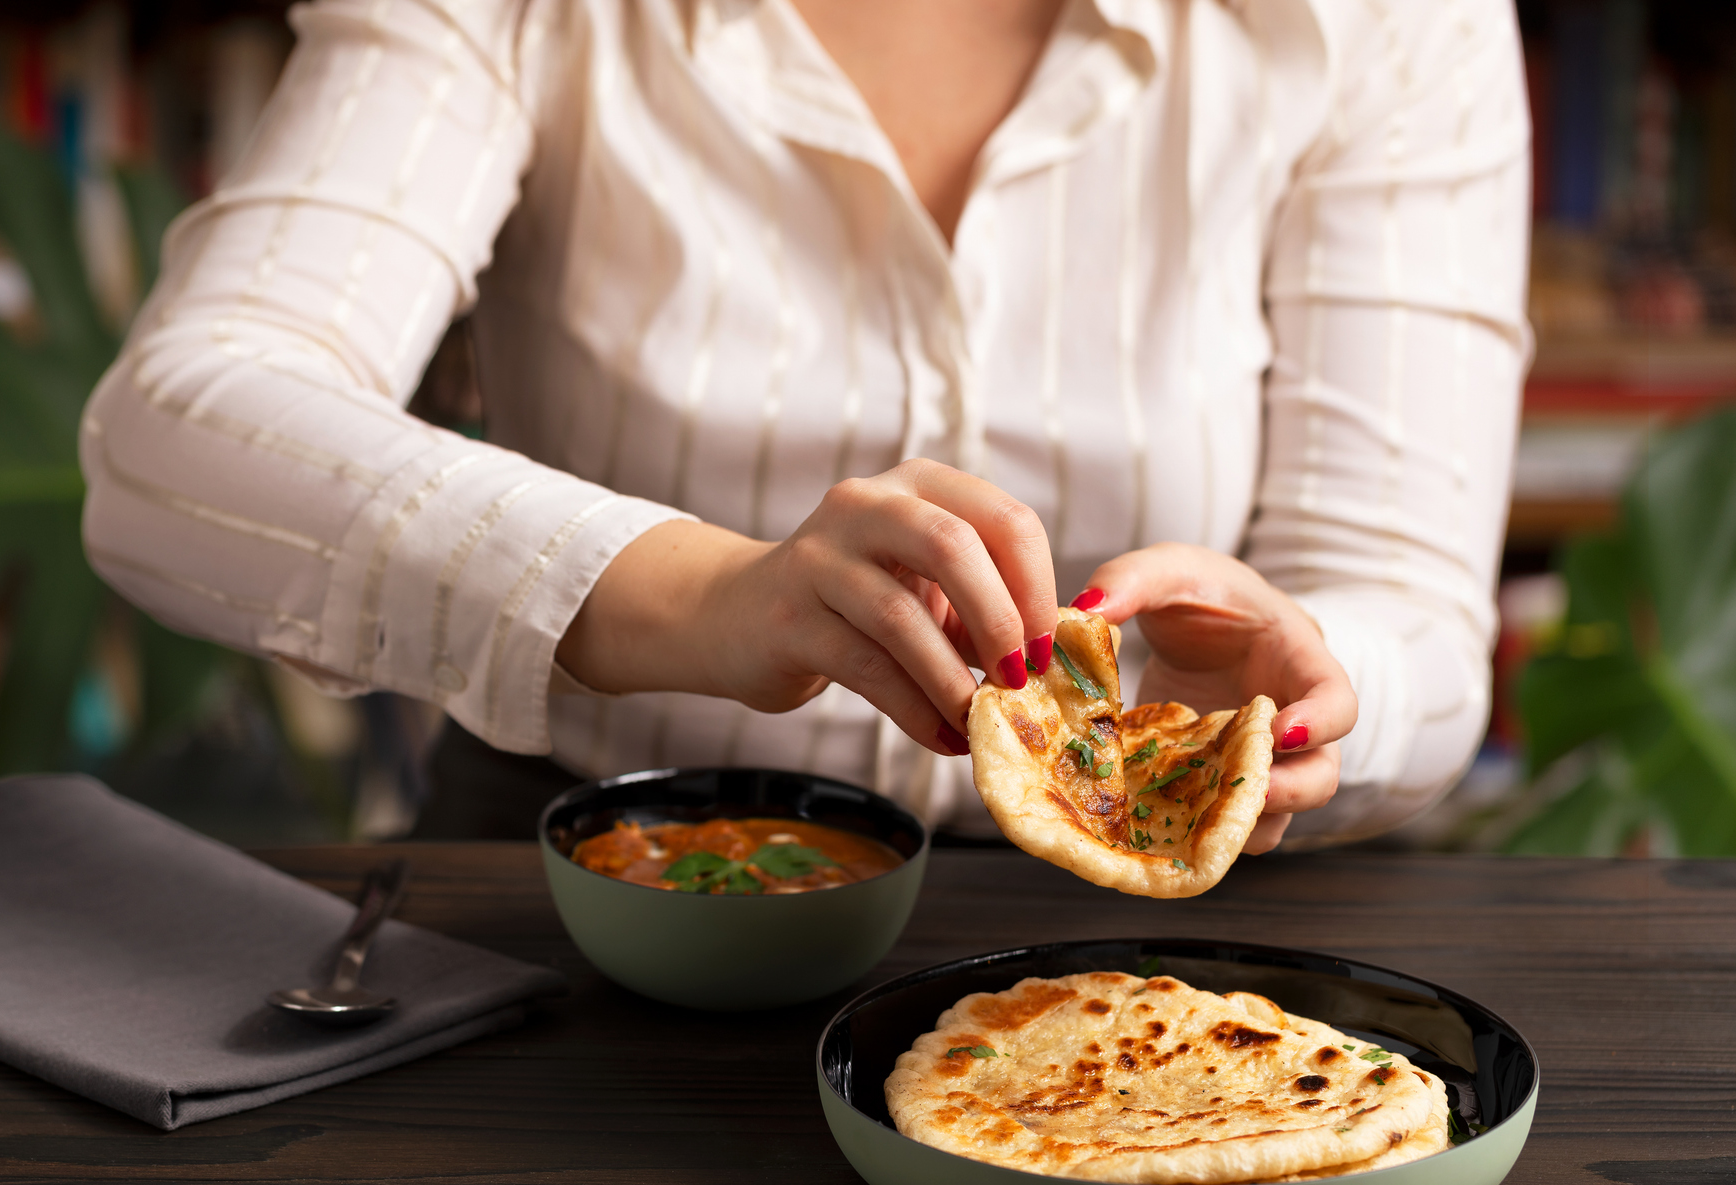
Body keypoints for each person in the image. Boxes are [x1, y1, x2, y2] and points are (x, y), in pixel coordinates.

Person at [81, 0, 1528, 849]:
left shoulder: (1386, 25)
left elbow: (1413, 617)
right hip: (592, 887)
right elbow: (173, 437)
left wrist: (1321, 679)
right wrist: (699, 595)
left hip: (1168, 971)